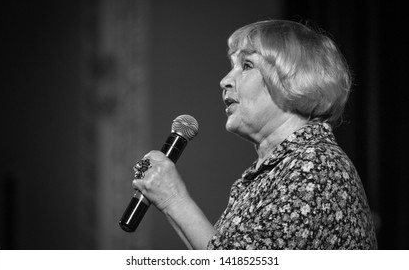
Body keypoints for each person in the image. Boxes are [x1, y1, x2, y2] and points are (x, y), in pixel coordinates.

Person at [132, 20, 377, 249]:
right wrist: (168, 200)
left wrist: (173, 198)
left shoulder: (318, 166)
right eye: (232, 67)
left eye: (246, 66)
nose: (225, 80)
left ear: (293, 80)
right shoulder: (277, 169)